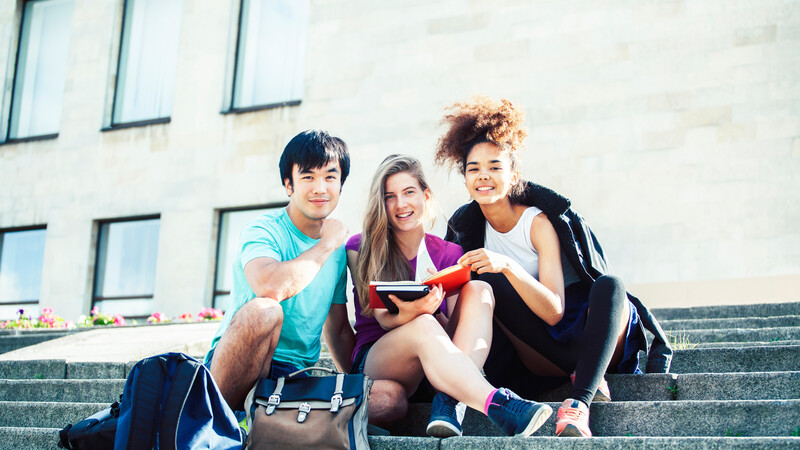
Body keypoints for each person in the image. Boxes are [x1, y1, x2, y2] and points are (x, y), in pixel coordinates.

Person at [436, 96, 673, 437]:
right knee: (485, 282)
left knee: (611, 285)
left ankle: (579, 405)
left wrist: (508, 265)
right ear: (464, 179)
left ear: (513, 174)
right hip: (543, 351)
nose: (483, 176)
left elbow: (555, 312)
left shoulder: (537, 223)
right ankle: (573, 375)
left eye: (495, 166)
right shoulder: (467, 229)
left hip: (590, 331)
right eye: (474, 169)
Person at [346, 154, 553, 438]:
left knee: (480, 289)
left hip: (437, 362)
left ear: (426, 195)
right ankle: (498, 403)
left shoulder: (449, 253)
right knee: (423, 324)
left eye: (409, 192)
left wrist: (436, 311)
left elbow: (452, 334)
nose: (401, 204)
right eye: (390, 196)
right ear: (381, 204)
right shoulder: (360, 246)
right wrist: (419, 311)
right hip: (380, 360)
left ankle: (448, 400)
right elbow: (382, 318)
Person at [204, 130, 404, 416]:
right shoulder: (263, 230)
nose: (320, 188)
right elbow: (268, 286)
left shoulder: (334, 252)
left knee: (390, 399)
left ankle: (263, 420)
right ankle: (215, 420)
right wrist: (327, 244)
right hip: (237, 365)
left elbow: (336, 329)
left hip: (294, 380)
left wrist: (356, 382)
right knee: (264, 311)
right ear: (289, 185)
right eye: (308, 177)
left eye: (330, 177)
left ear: (340, 185)